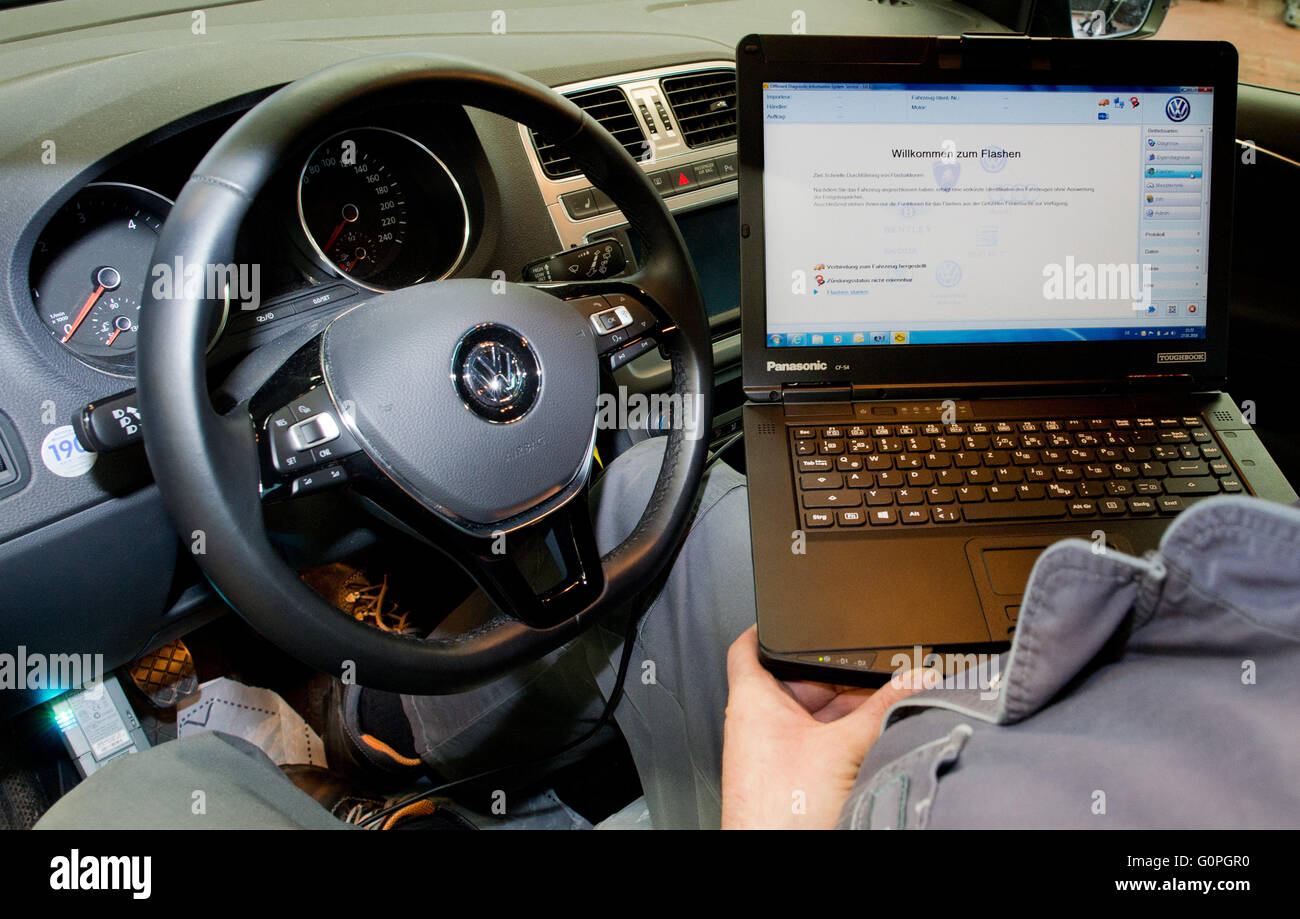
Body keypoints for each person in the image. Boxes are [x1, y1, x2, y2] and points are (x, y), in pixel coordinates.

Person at [37, 437, 1300, 829]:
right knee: (652, 487)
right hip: (1044, 732)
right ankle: (384, 735)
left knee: (119, 822)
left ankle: (302, 757)